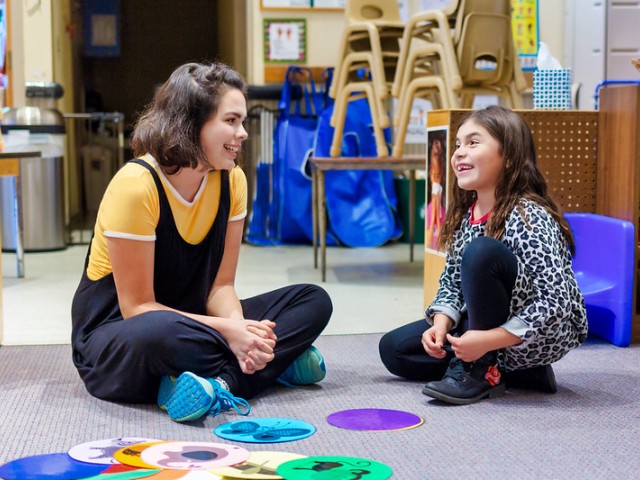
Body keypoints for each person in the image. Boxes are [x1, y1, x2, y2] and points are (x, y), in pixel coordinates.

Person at [71, 62, 333, 422]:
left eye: (242, 122)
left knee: (313, 300)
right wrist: (233, 334)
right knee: (159, 333)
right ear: (192, 124)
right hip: (123, 336)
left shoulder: (232, 180)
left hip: (198, 322)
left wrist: (241, 329)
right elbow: (138, 308)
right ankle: (276, 361)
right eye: (231, 121)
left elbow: (221, 287)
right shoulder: (136, 185)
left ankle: (220, 383)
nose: (242, 133)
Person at [379, 105, 588, 405]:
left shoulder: (530, 216)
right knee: (395, 350)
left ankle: (481, 371)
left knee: (482, 252)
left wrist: (488, 341)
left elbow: (555, 306)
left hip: (538, 332)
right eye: (458, 145)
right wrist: (440, 325)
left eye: (473, 143)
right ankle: (517, 371)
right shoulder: (467, 215)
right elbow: (451, 282)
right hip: (486, 325)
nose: (459, 153)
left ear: (509, 156)